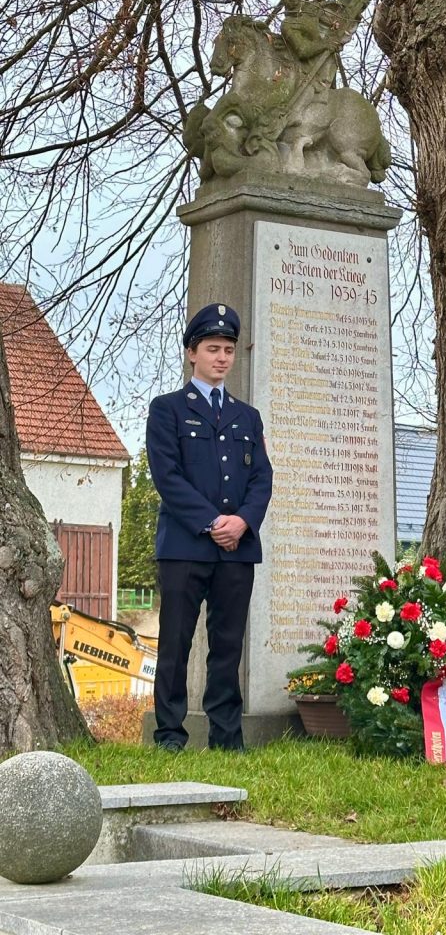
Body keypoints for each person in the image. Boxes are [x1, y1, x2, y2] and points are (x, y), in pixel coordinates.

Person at [146, 303, 273, 751]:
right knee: (175, 644)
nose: (222, 358)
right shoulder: (167, 410)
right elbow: (168, 476)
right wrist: (211, 521)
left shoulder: (247, 416)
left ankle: (227, 738)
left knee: (227, 646)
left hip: (236, 548)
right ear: (192, 354)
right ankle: (169, 736)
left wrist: (242, 521)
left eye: (228, 350)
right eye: (213, 349)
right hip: (185, 546)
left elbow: (261, 477)